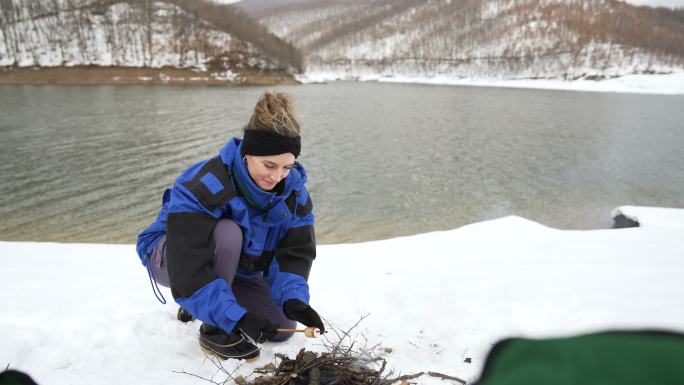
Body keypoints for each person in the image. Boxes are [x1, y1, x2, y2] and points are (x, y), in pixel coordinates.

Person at [135, 91, 324, 360]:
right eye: (269, 165)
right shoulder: (205, 184)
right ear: (248, 153)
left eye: (286, 167)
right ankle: (213, 330)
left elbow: (292, 254)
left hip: (235, 263)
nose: (277, 176)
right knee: (228, 233)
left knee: (279, 328)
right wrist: (230, 319)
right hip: (171, 256)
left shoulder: (293, 194)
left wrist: (293, 299)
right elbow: (189, 261)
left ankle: (206, 302)